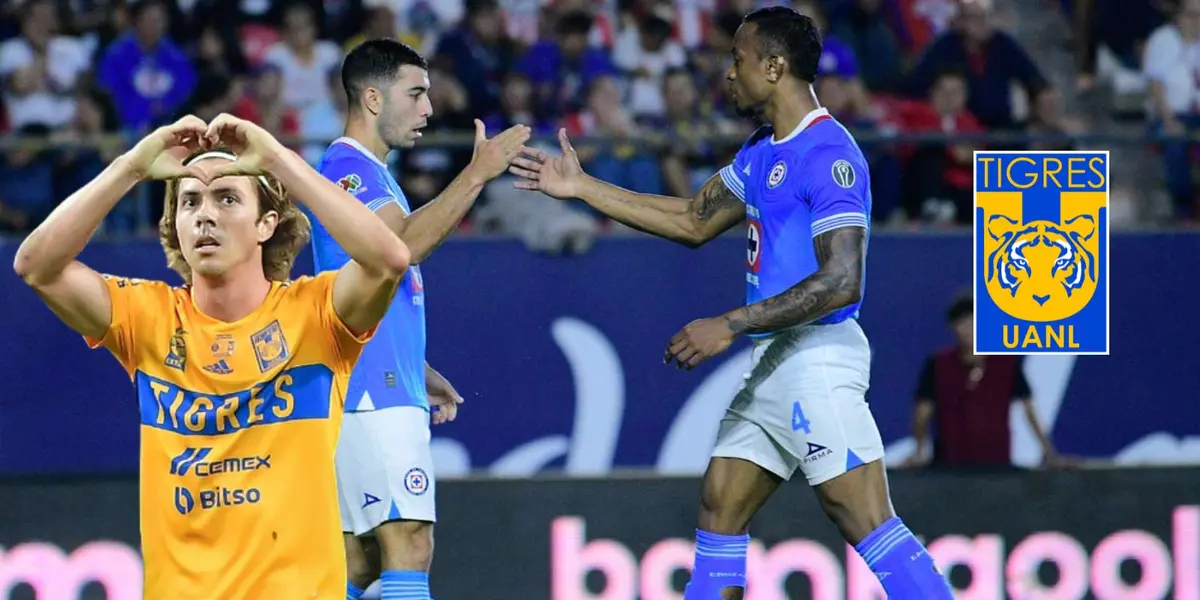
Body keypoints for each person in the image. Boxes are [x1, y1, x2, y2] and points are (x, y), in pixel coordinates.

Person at [509, 7, 955, 599]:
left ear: (773, 67)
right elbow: (693, 220)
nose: (727, 73)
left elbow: (843, 280)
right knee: (721, 504)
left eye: (737, 60)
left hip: (816, 359)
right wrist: (584, 187)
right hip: (774, 361)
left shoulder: (828, 154)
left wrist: (730, 322)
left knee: (864, 518)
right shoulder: (762, 150)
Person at [12, 113, 412, 599]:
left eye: (227, 198)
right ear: (175, 226)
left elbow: (389, 259)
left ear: (266, 224)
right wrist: (131, 167)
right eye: (190, 202)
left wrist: (278, 160)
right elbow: (36, 266)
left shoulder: (318, 315)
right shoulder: (147, 319)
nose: (205, 215)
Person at [307, 39, 530, 600]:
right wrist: (476, 175)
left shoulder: (370, 174)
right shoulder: (348, 170)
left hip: (376, 381)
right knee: (408, 541)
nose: (429, 108)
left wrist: (417, 367)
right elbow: (400, 248)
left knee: (358, 559)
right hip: (370, 393)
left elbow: (367, 287)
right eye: (416, 93)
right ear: (373, 98)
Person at [902, 292, 1061, 469]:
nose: (968, 329)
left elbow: (1029, 410)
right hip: (948, 467)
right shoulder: (938, 364)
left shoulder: (1006, 363)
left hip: (997, 466)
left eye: (974, 322)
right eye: (962, 322)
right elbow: (922, 413)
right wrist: (919, 451)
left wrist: (1048, 452)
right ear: (952, 326)